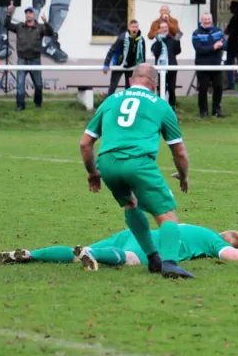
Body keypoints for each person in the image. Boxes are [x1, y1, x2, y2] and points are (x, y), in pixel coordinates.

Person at [79, 64, 193, 280]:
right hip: (138, 163)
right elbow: (179, 152)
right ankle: (170, 263)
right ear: (154, 84)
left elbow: (85, 144)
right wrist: (184, 175)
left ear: (131, 81)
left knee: (130, 204)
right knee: (167, 214)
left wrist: (93, 173)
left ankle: (153, 258)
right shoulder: (161, 105)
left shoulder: (111, 100)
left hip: (108, 163)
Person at [0, 223, 238, 270]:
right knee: (130, 260)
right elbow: (232, 254)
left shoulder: (193, 228)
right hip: (147, 242)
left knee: (78, 252)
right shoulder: (214, 241)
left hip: (134, 230)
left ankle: (31, 254)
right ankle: (91, 254)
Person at [5, 2, 54, 112]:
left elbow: (51, 33)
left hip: (35, 60)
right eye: (26, 13)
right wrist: (9, 13)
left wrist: (46, 22)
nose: (28, 14)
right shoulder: (19, 27)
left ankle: (38, 104)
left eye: (30, 13)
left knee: (38, 84)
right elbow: (7, 25)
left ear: (34, 15)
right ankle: (20, 105)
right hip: (22, 59)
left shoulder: (40, 27)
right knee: (20, 84)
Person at [192, 12, 226, 118]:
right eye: (205, 19)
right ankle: (203, 111)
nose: (207, 21)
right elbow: (199, 49)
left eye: (209, 19)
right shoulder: (196, 33)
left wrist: (221, 44)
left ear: (211, 20)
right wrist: (213, 47)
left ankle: (216, 109)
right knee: (203, 89)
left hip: (216, 64)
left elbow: (225, 44)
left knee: (219, 87)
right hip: (202, 65)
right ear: (201, 21)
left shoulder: (218, 31)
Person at [103, 20, 146, 97]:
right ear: (129, 28)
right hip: (119, 65)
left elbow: (143, 55)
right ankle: (107, 105)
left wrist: (143, 68)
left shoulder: (141, 40)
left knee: (129, 88)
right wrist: (106, 64)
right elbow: (112, 50)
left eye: (136, 27)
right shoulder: (122, 38)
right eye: (133, 27)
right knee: (113, 87)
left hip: (132, 66)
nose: (134, 29)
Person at [151, 21, 181, 110]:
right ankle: (160, 108)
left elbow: (177, 51)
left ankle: (172, 109)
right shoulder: (156, 40)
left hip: (171, 67)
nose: (164, 29)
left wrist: (177, 41)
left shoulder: (172, 40)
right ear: (159, 29)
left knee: (172, 89)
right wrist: (159, 42)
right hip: (160, 69)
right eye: (162, 27)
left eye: (166, 27)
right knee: (161, 89)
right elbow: (155, 53)